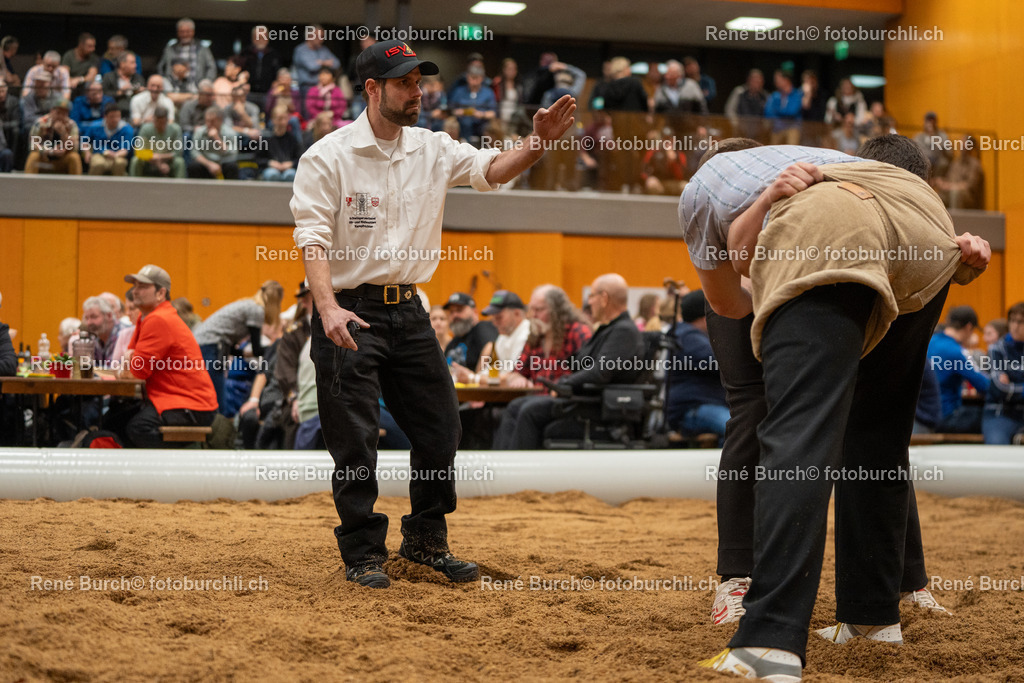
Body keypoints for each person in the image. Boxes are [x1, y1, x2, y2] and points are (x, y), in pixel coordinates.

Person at [683, 137, 989, 680]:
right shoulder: (812, 156)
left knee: (796, 432)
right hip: (928, 225)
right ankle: (872, 617)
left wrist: (807, 323)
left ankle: (768, 640)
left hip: (831, 228)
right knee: (877, 435)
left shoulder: (701, 192)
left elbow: (728, 300)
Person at [290, 39, 576, 588]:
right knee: (354, 437)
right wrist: (326, 308)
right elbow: (313, 239)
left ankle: (424, 540)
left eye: (419, 82)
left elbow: (492, 168)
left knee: (442, 428)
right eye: (404, 83)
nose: (416, 92)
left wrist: (537, 144)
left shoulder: (433, 147)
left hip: (411, 311)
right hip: (348, 310)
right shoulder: (327, 156)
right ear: (372, 89)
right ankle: (363, 552)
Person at [493, 273, 643, 450]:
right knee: (516, 406)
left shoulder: (623, 331)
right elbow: (579, 363)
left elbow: (600, 372)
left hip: (596, 404)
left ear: (604, 298)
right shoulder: (608, 329)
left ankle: (520, 473)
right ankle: (503, 465)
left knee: (529, 410)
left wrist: (562, 383)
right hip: (586, 398)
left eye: (592, 296)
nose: (589, 302)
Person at [117, 265, 218, 447]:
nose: (135, 291)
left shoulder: (159, 319)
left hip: (191, 405)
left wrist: (128, 362)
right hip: (177, 399)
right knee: (117, 418)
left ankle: (173, 471)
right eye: (135, 286)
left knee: (137, 427)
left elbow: (134, 372)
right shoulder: (147, 317)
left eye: (142, 287)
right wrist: (128, 361)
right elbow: (130, 358)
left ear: (160, 293)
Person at [192, 281, 283, 414]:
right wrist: (276, 346)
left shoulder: (248, 304)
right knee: (215, 397)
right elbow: (257, 350)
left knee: (211, 394)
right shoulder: (257, 310)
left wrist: (244, 353)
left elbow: (235, 347)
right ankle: (218, 431)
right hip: (210, 346)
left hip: (205, 344)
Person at [664, 290, 728, 441]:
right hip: (691, 410)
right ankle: (732, 465)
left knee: (740, 426)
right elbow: (723, 365)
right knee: (738, 429)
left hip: (699, 406)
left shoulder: (686, 335)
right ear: (706, 315)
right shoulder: (688, 338)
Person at [928, 306, 989, 433]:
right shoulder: (957, 351)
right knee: (995, 417)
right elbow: (983, 385)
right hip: (946, 416)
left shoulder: (930, 341)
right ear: (968, 327)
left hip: (923, 414)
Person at [982, 302, 1024, 444]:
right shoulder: (997, 349)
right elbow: (999, 388)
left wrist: (1012, 383)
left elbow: (1007, 388)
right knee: (997, 447)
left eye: (1021, 321)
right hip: (1000, 414)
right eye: (1012, 320)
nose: (1015, 326)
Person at [444, 292, 498, 380]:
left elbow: (491, 347)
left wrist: (475, 378)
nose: (455, 315)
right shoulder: (453, 342)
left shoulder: (481, 328)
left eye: (459, 310)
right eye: (451, 312)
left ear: (475, 312)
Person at [130, 106, 186, 178]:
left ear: (167, 120)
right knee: (135, 160)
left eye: (162, 122)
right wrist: (157, 163)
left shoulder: (175, 129)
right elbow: (139, 151)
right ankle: (134, 186)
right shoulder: (145, 128)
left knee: (180, 162)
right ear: (153, 119)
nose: (159, 125)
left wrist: (159, 158)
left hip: (168, 161)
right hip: (149, 161)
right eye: (157, 122)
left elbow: (178, 152)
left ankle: (180, 187)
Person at [157, 18, 217, 84]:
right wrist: (164, 79)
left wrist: (207, 81)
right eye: (182, 32)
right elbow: (161, 66)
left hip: (196, 87)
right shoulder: (170, 49)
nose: (185, 35)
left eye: (188, 31)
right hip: (172, 86)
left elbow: (211, 67)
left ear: (193, 32)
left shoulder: (203, 49)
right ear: (178, 32)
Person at [61, 32, 100, 96]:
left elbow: (91, 76)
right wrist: (71, 81)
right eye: (90, 46)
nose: (93, 49)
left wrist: (79, 80)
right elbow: (64, 74)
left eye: (94, 46)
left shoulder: (93, 58)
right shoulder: (69, 55)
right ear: (81, 45)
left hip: (84, 86)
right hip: (70, 84)